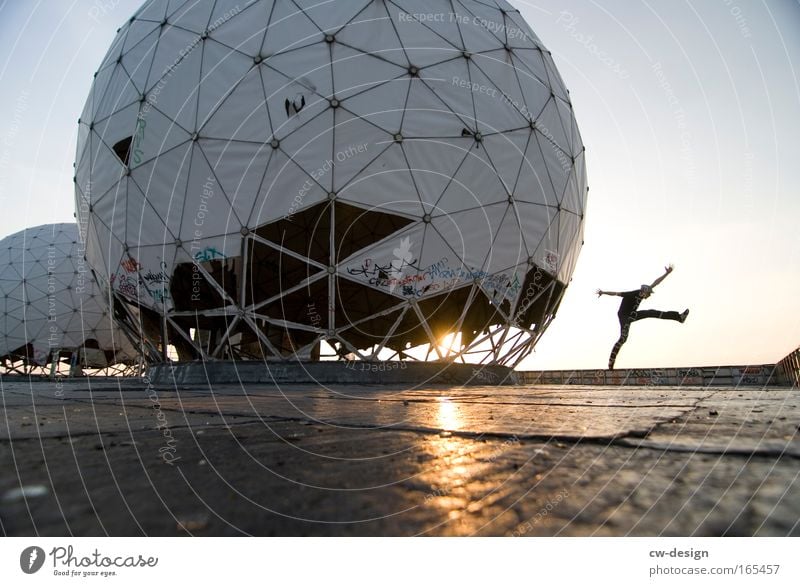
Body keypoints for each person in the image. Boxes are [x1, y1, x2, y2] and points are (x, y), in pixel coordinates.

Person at [596, 264, 689, 370]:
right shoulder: (632, 294)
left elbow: (656, 283)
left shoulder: (643, 293)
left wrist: (667, 273)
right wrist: (603, 292)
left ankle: (679, 317)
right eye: (648, 294)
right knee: (623, 338)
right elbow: (616, 293)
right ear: (644, 292)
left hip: (633, 315)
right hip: (624, 316)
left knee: (651, 312)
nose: (649, 296)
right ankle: (611, 363)